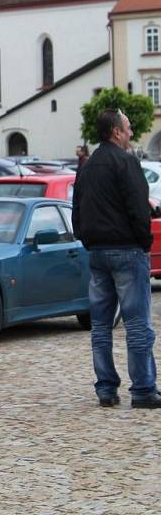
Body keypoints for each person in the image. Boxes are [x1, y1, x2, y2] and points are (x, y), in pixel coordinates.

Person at [72, 108, 161, 408]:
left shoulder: (87, 166)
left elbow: (77, 209)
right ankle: (144, 390)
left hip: (97, 252)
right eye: (128, 126)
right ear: (116, 132)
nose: (131, 131)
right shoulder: (126, 162)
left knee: (100, 325)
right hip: (127, 250)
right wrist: (145, 242)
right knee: (137, 324)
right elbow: (138, 209)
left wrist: (86, 238)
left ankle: (106, 389)